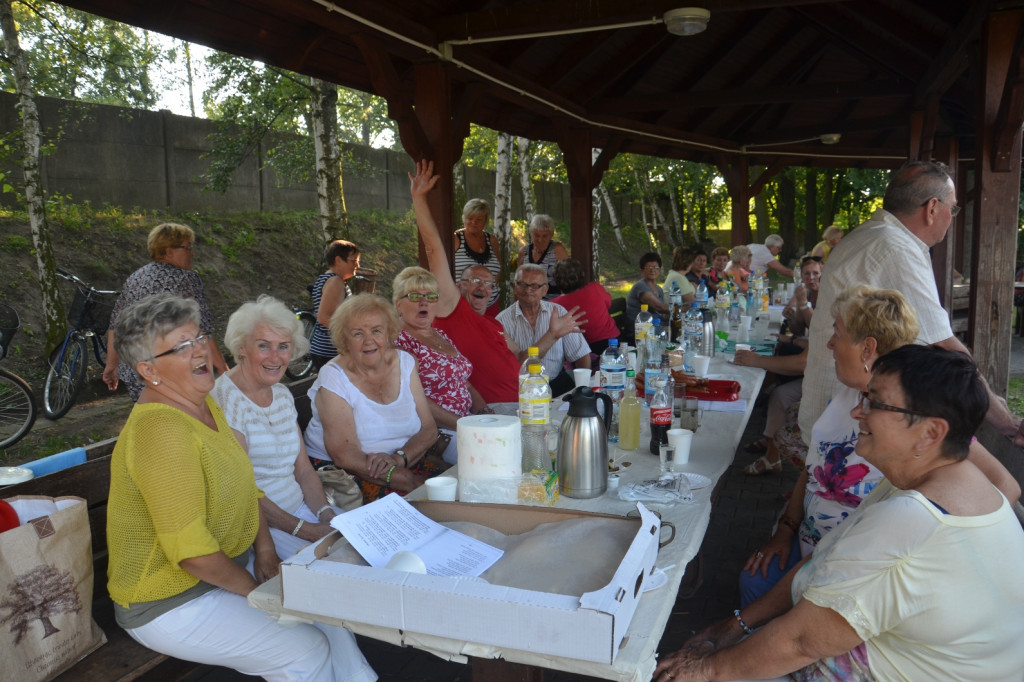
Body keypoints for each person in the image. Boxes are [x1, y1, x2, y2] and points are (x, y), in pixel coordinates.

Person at [656, 345, 1024, 682]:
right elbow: (825, 560)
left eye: (875, 403)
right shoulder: (943, 483)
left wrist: (704, 670)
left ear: (930, 433)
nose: (856, 412)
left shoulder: (912, 517)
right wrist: (734, 626)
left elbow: (802, 641)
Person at [106, 293, 375, 682]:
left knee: (323, 606)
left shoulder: (203, 404)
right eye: (181, 347)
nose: (199, 351)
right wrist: (256, 591)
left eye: (199, 338)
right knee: (305, 650)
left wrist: (265, 548)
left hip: (224, 568)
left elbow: (246, 486)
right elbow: (192, 554)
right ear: (149, 371)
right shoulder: (161, 430)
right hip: (171, 600)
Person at [799, 160, 1024, 450]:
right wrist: (1007, 422)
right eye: (952, 208)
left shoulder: (869, 234)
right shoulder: (895, 246)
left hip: (835, 415)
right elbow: (944, 346)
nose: (951, 216)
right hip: (852, 429)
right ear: (932, 208)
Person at [211, 295, 343, 560]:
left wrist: (326, 515)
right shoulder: (225, 400)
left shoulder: (281, 394)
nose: (275, 357)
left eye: (283, 346)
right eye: (263, 346)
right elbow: (244, 490)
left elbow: (303, 469)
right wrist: (305, 529)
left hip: (302, 511)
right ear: (242, 348)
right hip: (261, 531)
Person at [303, 294, 440, 501]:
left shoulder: (404, 362)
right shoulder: (333, 376)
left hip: (403, 461)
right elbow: (344, 454)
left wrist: (399, 459)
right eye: (358, 334)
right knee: (416, 509)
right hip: (346, 473)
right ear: (344, 339)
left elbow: (429, 429)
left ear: (389, 333)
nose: (369, 341)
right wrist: (405, 478)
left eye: (376, 331)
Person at [409, 160, 521, 404]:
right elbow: (433, 249)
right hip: (494, 415)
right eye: (475, 281)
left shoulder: (493, 323)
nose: (483, 287)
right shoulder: (453, 309)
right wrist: (419, 199)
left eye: (489, 284)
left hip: (524, 405)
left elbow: (521, 355)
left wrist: (553, 335)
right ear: (459, 285)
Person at [103, 222, 228, 400]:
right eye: (187, 248)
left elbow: (115, 324)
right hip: (171, 369)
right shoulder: (185, 279)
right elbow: (203, 329)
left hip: (137, 371)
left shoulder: (135, 277)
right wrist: (223, 369)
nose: (192, 253)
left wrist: (111, 364)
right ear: (169, 251)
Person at [392, 266, 490, 464]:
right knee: (493, 456)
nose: (423, 302)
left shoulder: (440, 335)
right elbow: (412, 398)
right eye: (414, 296)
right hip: (438, 432)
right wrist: (463, 424)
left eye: (430, 296)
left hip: (466, 421)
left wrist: (483, 411)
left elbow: (465, 382)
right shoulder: (400, 343)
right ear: (398, 305)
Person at [498, 263, 591, 396]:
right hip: (521, 390)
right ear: (515, 287)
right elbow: (517, 365)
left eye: (535, 286)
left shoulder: (558, 312)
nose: (528, 290)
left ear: (545, 290)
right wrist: (552, 335)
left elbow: (581, 355)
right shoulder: (501, 321)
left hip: (555, 385)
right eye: (522, 284)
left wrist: (582, 389)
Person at [550, 259, 619, 355]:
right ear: (582, 276)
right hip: (613, 340)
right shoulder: (595, 288)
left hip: (584, 350)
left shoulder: (554, 305)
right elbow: (609, 303)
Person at [310, 239, 360, 370]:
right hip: (330, 350)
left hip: (324, 349)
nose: (357, 265)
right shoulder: (335, 281)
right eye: (353, 260)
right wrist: (350, 336)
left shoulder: (327, 279)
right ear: (338, 260)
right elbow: (324, 317)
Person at [454, 197, 502, 316]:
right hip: (461, 303)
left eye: (479, 219)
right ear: (464, 218)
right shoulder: (455, 239)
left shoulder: (492, 240)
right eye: (470, 218)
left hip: (490, 303)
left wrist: (487, 287)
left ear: (485, 221)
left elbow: (498, 269)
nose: (473, 222)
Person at [517, 214, 568, 299]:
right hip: (528, 302)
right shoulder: (523, 252)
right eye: (536, 235)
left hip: (553, 302)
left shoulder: (557, 249)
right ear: (531, 234)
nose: (540, 240)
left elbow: (567, 280)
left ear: (551, 235)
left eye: (545, 236)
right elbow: (518, 282)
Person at [781, 255, 822, 337]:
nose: (811, 277)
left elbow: (817, 328)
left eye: (815, 273)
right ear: (801, 277)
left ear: (822, 275)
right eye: (807, 273)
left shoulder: (826, 294)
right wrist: (790, 317)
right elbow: (798, 331)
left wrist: (804, 304)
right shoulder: (805, 292)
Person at [626, 252, 669, 322]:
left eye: (655, 267)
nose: (652, 270)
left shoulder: (659, 289)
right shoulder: (641, 286)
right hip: (640, 329)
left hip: (654, 325)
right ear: (642, 271)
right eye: (649, 267)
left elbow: (661, 314)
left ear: (659, 270)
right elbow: (660, 307)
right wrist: (679, 309)